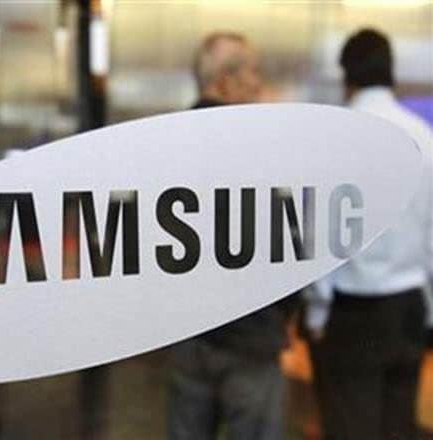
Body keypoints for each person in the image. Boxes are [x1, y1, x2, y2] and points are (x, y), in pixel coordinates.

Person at [304, 29, 433, 440]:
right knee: (398, 428)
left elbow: (320, 236)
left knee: (350, 426)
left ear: (347, 75)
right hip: (409, 306)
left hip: (353, 311)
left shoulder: (336, 139)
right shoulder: (425, 137)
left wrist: (317, 311)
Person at [167, 32, 295, 440]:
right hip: (251, 338)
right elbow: (286, 236)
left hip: (185, 332)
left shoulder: (165, 146)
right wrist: (286, 313)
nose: (258, 83)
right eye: (252, 72)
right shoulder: (261, 146)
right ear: (225, 81)